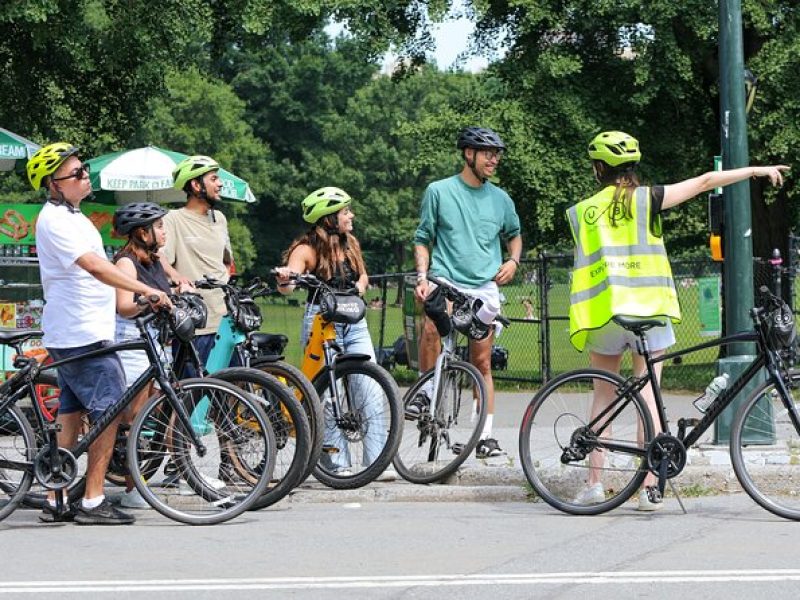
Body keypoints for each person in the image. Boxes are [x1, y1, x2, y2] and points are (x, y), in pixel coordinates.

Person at [567, 130, 789, 511]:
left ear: (597, 169)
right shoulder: (648, 199)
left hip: (604, 313)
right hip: (649, 309)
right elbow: (704, 182)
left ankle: (594, 484)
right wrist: (755, 169)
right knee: (648, 396)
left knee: (602, 397)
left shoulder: (581, 211)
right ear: (633, 168)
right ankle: (648, 488)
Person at [27, 143, 170, 525]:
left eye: (84, 169)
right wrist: (144, 289)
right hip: (81, 333)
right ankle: (92, 500)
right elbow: (93, 266)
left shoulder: (74, 216)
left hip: (84, 329)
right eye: (76, 173)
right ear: (54, 184)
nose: (84, 176)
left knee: (72, 414)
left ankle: (56, 497)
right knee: (108, 411)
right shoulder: (55, 220)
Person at [412, 126, 522, 459]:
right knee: (431, 326)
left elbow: (514, 235)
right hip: (446, 278)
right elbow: (423, 238)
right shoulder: (439, 191)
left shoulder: (501, 199)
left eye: (497, 153)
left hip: (484, 287)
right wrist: (422, 276)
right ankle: (424, 392)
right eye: (488, 153)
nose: (494, 159)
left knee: (482, 362)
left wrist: (513, 260)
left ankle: (484, 437)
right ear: (468, 154)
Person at [275, 186, 396, 482]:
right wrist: (284, 280)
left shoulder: (350, 243)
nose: (350, 215)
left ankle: (377, 461)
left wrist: (360, 287)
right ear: (327, 217)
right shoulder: (305, 250)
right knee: (327, 395)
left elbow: (363, 275)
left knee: (370, 390)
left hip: (355, 321)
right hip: (322, 322)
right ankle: (334, 459)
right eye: (345, 212)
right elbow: (289, 281)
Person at [111, 202, 190, 509]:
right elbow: (124, 307)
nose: (163, 231)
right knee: (134, 418)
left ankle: (140, 478)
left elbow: (177, 279)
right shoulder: (127, 263)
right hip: (131, 341)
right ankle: (133, 489)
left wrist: (185, 287)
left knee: (149, 414)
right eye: (158, 227)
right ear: (142, 233)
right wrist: (150, 299)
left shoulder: (155, 259)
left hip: (155, 340)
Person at [160, 155, 232, 370]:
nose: (220, 184)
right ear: (195, 184)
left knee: (231, 391)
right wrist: (177, 278)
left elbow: (227, 261)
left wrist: (226, 279)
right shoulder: (173, 219)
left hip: (225, 321)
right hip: (195, 323)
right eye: (214, 179)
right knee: (193, 395)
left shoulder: (220, 218)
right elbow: (160, 258)